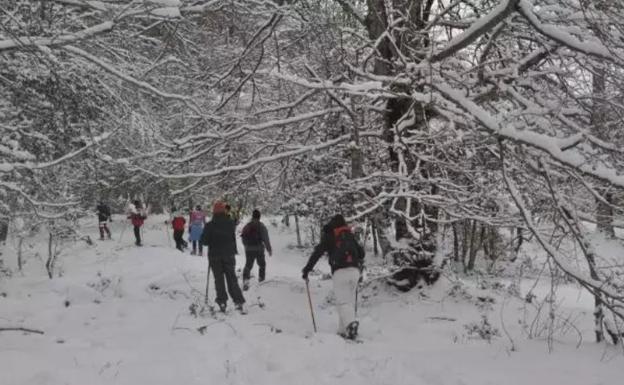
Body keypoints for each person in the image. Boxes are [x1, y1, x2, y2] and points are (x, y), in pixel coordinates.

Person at [301, 214, 364, 340]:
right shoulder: (349, 235)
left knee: (343, 302)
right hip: (355, 272)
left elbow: (317, 252)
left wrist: (307, 269)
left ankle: (351, 325)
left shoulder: (330, 235)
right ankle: (342, 331)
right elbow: (361, 253)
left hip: (340, 272)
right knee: (347, 301)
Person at [201, 201, 246, 313]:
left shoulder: (209, 225)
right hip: (229, 255)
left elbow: (204, 242)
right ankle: (238, 301)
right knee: (232, 278)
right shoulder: (230, 223)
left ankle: (222, 302)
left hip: (215, 256)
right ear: (224, 211)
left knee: (219, 279)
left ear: (214, 212)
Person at [241, 209, 273, 290]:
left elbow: (243, 237)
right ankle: (261, 279)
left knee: (248, 265)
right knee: (262, 264)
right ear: (259, 216)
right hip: (259, 249)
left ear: (252, 216)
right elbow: (266, 238)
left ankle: (245, 280)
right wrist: (269, 249)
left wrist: (246, 246)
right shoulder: (261, 226)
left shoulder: (247, 225)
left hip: (249, 249)